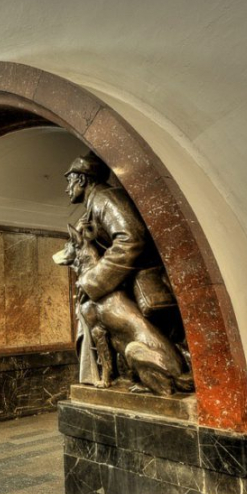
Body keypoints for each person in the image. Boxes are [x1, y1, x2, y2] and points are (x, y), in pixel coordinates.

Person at [63, 152, 192, 395]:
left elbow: (131, 240)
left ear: (81, 179)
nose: (66, 188)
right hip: (124, 286)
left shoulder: (105, 198)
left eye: (69, 180)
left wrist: (93, 281)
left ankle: (161, 379)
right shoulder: (92, 208)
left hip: (141, 286)